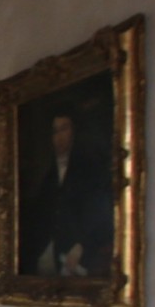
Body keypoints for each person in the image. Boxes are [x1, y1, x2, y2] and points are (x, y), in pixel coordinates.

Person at [21, 113, 112, 277]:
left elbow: (100, 215)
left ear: (74, 132)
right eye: (55, 131)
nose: (59, 137)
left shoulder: (89, 170)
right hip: (50, 252)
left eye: (64, 129)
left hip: (78, 254)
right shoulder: (49, 177)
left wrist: (81, 245)